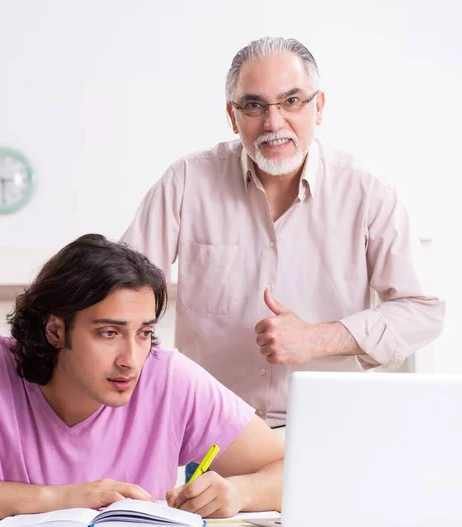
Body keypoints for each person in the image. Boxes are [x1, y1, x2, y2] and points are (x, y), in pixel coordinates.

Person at [121, 36, 446, 435]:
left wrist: (320, 339)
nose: (274, 124)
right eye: (254, 105)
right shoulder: (187, 181)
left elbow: (422, 311)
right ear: (232, 115)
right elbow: (121, 289)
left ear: (319, 107)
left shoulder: (368, 191)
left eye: (291, 101)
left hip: (330, 429)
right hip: (211, 430)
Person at [0, 234, 284, 520]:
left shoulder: (170, 377)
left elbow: (292, 469)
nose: (131, 359)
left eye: (144, 333)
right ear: (56, 330)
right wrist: (55, 499)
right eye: (108, 333)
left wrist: (240, 492)